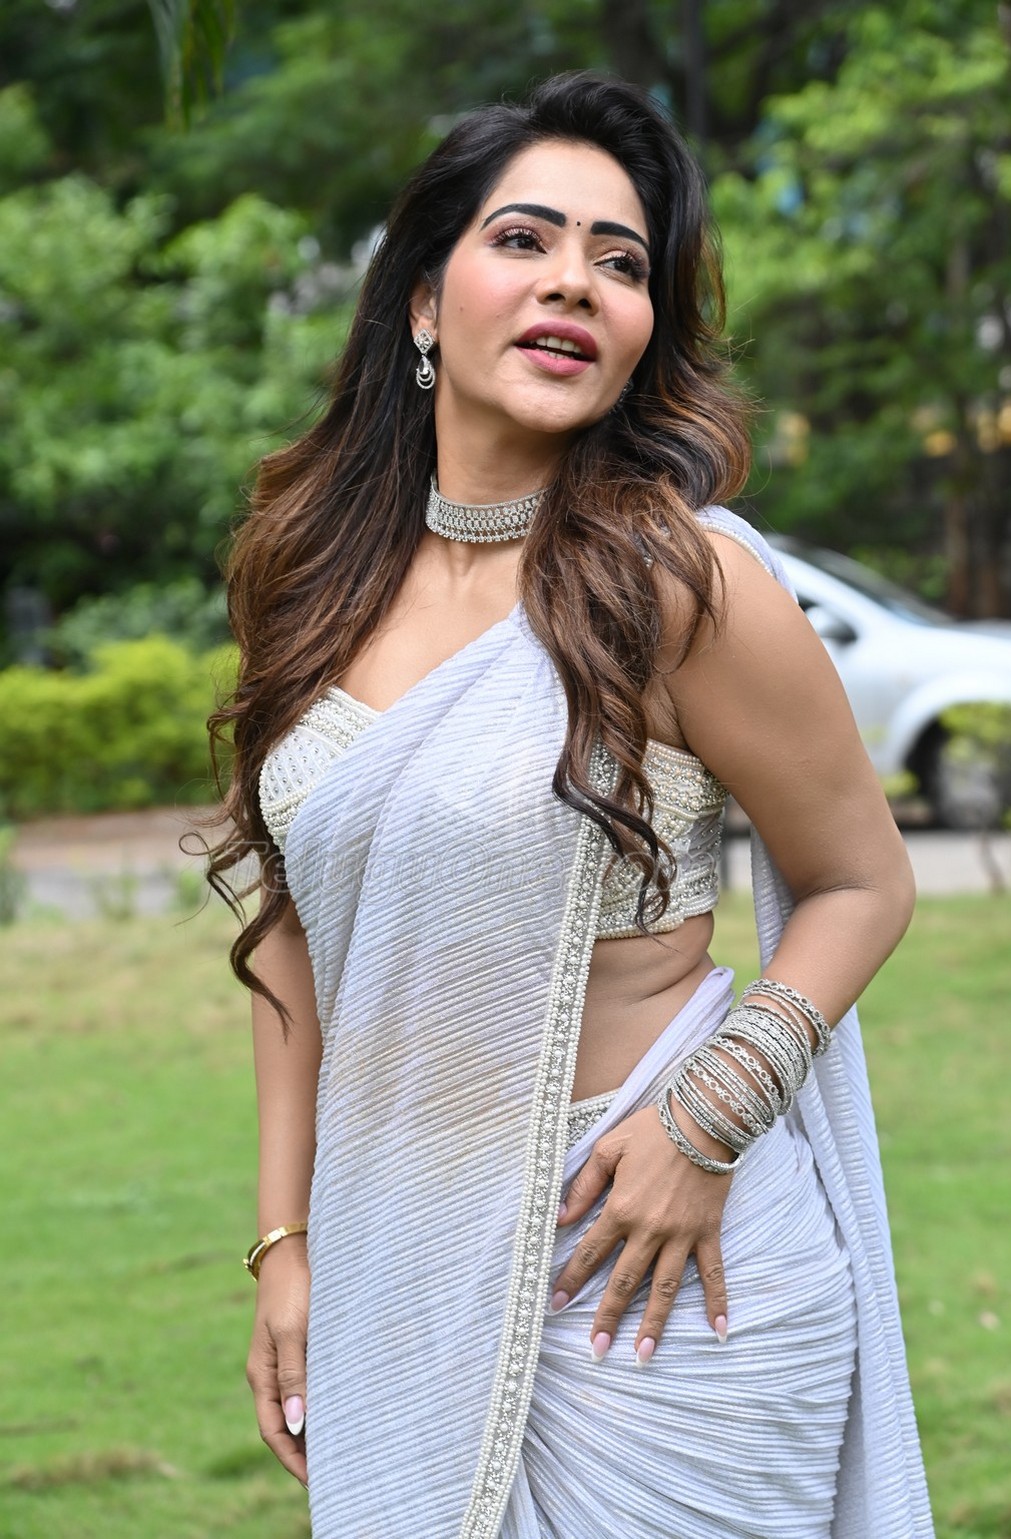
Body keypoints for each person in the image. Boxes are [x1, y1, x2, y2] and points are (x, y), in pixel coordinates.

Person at [208, 72, 934, 1539]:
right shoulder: (312, 584)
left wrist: (705, 1127)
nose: (574, 283)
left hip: (658, 1278)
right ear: (423, 300)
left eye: (620, 261)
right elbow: (295, 929)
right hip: (403, 1257)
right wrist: (284, 1241)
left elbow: (864, 882)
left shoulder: (678, 578)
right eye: (525, 239)